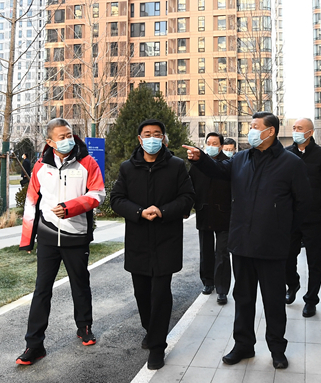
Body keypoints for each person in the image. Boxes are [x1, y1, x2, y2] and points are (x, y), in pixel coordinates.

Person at [183, 112, 309, 370]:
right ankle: (243, 345)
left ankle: (277, 349)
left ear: (270, 131)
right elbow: (219, 171)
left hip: (272, 246)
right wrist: (200, 159)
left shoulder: (291, 163)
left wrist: (285, 233)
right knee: (243, 298)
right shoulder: (240, 159)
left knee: (274, 302)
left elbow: (303, 204)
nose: (250, 131)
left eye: (254, 126)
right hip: (242, 243)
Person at [16, 119, 105, 366]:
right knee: (41, 290)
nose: (68, 139)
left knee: (80, 283)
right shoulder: (40, 167)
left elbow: (98, 193)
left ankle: (84, 326)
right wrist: (27, 240)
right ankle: (34, 345)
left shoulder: (87, 162)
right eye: (62, 136)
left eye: (70, 134)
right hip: (47, 237)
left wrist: (70, 207)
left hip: (76, 236)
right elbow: (31, 202)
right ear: (50, 141)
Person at [111, 119, 195, 371]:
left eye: (157, 134)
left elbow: (187, 197)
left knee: (160, 294)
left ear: (163, 138)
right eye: (147, 134)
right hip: (138, 241)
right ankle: (150, 329)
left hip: (166, 240)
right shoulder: (128, 168)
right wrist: (139, 212)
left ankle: (157, 346)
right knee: (142, 294)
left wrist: (162, 211)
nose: (152, 138)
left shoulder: (176, 165)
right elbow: (116, 199)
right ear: (139, 139)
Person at [284, 117, 321, 318]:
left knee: (316, 261)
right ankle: (292, 283)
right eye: (294, 127)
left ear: (310, 132)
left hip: (315, 218)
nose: (296, 131)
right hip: (290, 218)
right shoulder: (286, 154)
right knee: (286, 257)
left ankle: (311, 299)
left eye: (300, 128)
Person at [190, 131, 232, 305]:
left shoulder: (228, 163)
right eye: (209, 143)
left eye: (215, 143)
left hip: (224, 214)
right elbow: (190, 187)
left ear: (221, 146)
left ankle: (222, 289)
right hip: (204, 212)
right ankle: (208, 282)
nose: (212, 146)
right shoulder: (197, 164)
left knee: (222, 253)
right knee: (205, 250)